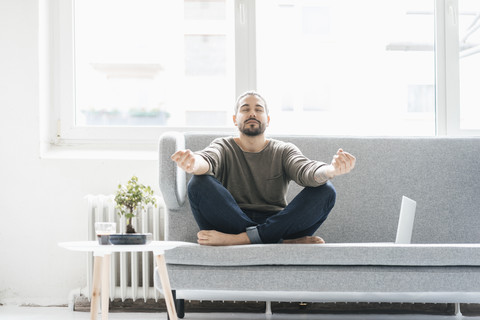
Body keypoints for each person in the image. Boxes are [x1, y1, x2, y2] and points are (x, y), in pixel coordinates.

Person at [171, 91, 356, 246]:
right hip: (231, 220)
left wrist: (331, 170)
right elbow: (207, 159)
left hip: (277, 222)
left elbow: (305, 170)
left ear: (267, 119)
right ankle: (280, 241)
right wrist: (194, 163)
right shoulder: (223, 146)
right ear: (235, 119)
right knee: (198, 182)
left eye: (258, 109)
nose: (252, 113)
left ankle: (242, 240)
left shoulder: (283, 150)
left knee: (326, 191)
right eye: (245, 109)